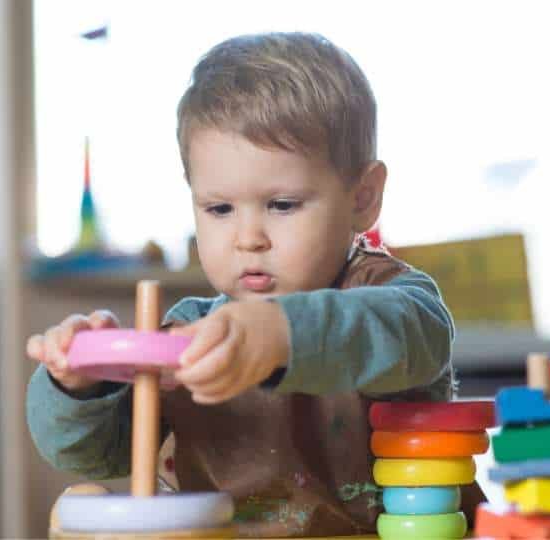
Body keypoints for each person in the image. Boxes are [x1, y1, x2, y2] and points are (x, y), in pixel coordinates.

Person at [27, 32, 482, 537]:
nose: (247, 238)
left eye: (282, 205)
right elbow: (96, 455)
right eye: (219, 209)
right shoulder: (190, 334)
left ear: (363, 197)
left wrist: (279, 334)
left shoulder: (395, 300)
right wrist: (80, 391)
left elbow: (409, 338)